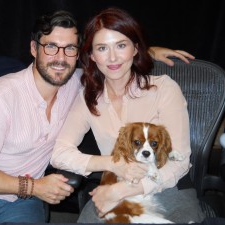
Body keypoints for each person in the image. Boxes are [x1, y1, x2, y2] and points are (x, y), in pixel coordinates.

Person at [0, 9, 195, 223]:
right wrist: (109, 165)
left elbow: (113, 64)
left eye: (69, 49)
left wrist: (151, 51)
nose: (60, 58)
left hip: (157, 189)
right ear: (33, 49)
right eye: (51, 47)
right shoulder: (10, 95)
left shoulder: (83, 85)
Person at [50, 7, 205, 223]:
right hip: (113, 187)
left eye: (121, 45)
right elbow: (59, 154)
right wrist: (112, 164)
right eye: (102, 48)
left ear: (135, 49)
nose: (112, 57)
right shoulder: (88, 98)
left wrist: (123, 190)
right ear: (92, 56)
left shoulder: (164, 89)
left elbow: (179, 161)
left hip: (167, 186)